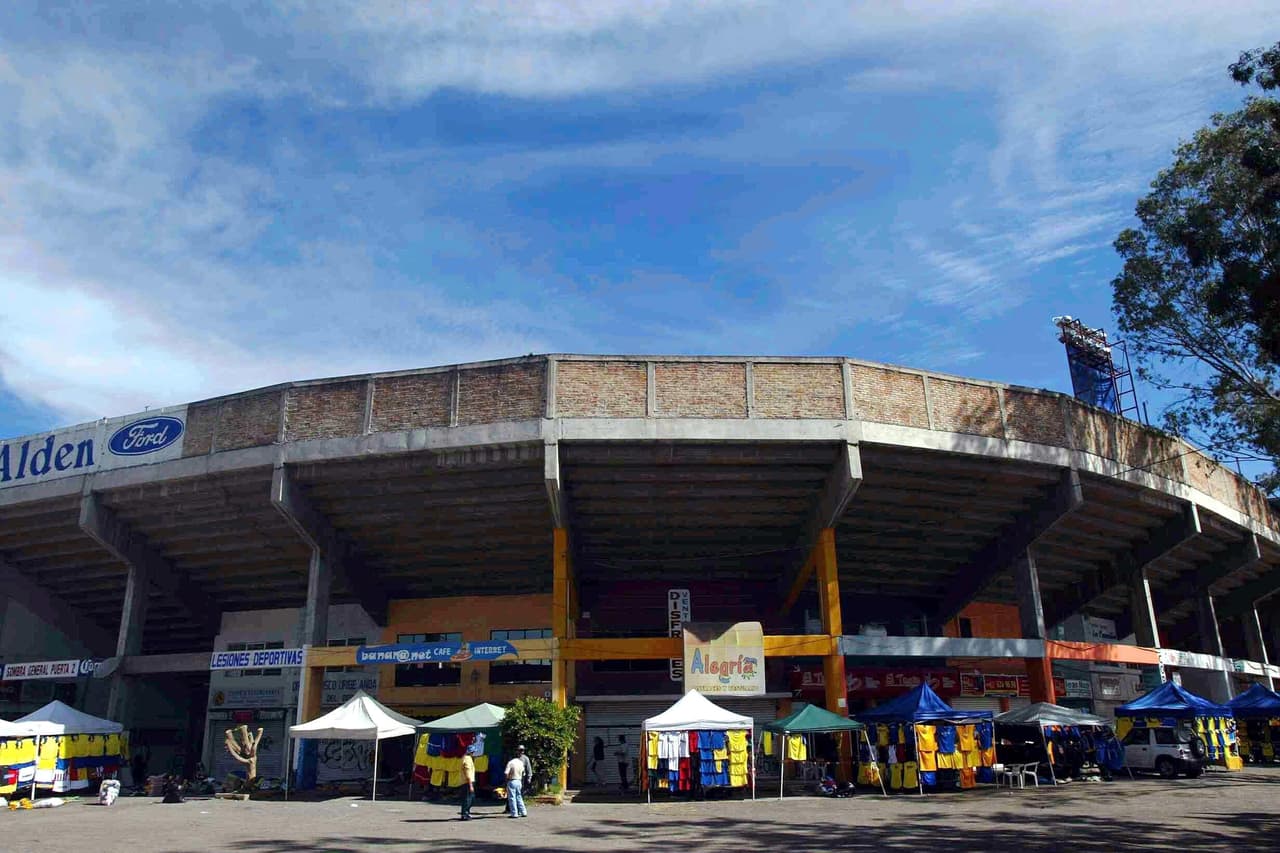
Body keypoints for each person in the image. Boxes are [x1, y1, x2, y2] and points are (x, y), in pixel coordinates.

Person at [504, 749, 528, 818]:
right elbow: (523, 773)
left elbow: (506, 773)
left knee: (512, 798)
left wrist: (506, 781)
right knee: (519, 797)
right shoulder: (521, 763)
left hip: (512, 781)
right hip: (519, 781)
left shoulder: (510, 763)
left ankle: (514, 813)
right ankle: (523, 812)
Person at [459, 745, 476, 821]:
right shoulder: (468, 759)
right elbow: (468, 773)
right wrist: (471, 785)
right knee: (468, 799)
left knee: (469, 798)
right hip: (467, 782)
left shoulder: (465, 758)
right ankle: (465, 814)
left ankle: (466, 813)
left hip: (466, 782)